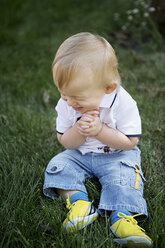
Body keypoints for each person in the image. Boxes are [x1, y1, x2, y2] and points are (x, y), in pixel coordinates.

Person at [43, 32, 153, 247]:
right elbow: (65, 141)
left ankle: (122, 219)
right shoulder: (66, 102)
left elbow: (130, 142)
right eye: (64, 94)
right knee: (58, 165)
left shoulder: (123, 102)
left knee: (126, 177)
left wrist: (100, 130)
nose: (69, 101)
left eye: (77, 97)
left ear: (108, 88)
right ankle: (79, 204)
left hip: (117, 154)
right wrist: (78, 130)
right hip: (79, 154)